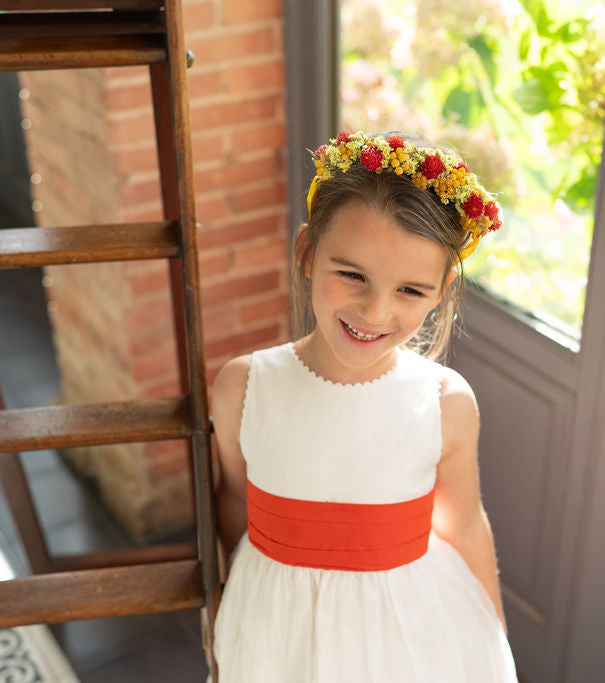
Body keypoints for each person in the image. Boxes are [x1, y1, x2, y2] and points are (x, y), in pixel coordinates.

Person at [210, 130, 517, 682]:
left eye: (410, 291)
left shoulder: (445, 404)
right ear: (307, 253)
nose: (375, 311)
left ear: (442, 289)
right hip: (277, 636)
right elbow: (234, 502)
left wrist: (493, 637)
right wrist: (227, 609)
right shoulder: (244, 388)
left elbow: (465, 525)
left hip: (404, 638)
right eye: (352, 275)